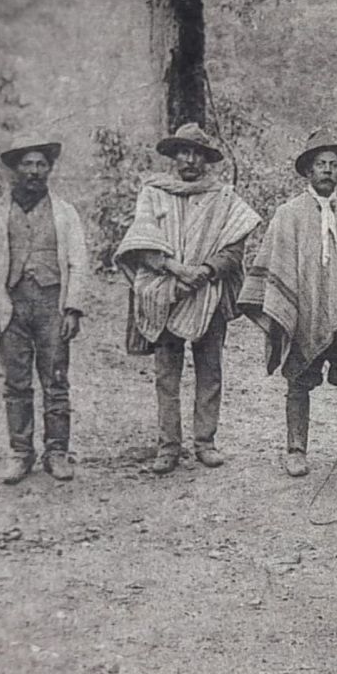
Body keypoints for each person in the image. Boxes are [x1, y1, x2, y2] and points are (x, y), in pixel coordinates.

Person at [239, 129, 337, 478]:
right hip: (305, 314)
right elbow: (276, 265)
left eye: (334, 165)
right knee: (299, 381)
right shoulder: (288, 214)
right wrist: (289, 307)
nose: (328, 171)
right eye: (321, 164)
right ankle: (296, 450)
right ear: (308, 171)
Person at [115, 123, 261, 474]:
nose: (190, 160)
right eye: (184, 152)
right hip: (165, 291)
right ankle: (168, 447)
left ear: (207, 160)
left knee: (209, 369)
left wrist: (206, 271)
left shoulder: (224, 198)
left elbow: (234, 249)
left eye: (197, 153)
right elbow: (142, 244)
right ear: (173, 156)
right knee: (167, 372)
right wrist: (176, 270)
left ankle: (205, 442)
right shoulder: (153, 193)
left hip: (208, 294)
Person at [0, 134, 89, 483]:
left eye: (41, 164)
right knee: (16, 382)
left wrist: (73, 309)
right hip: (12, 305)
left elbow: (79, 262)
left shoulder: (65, 212)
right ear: (14, 170)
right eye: (28, 164)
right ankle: (21, 452)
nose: (35, 171)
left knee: (55, 380)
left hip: (52, 304)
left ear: (49, 169)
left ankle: (57, 452)